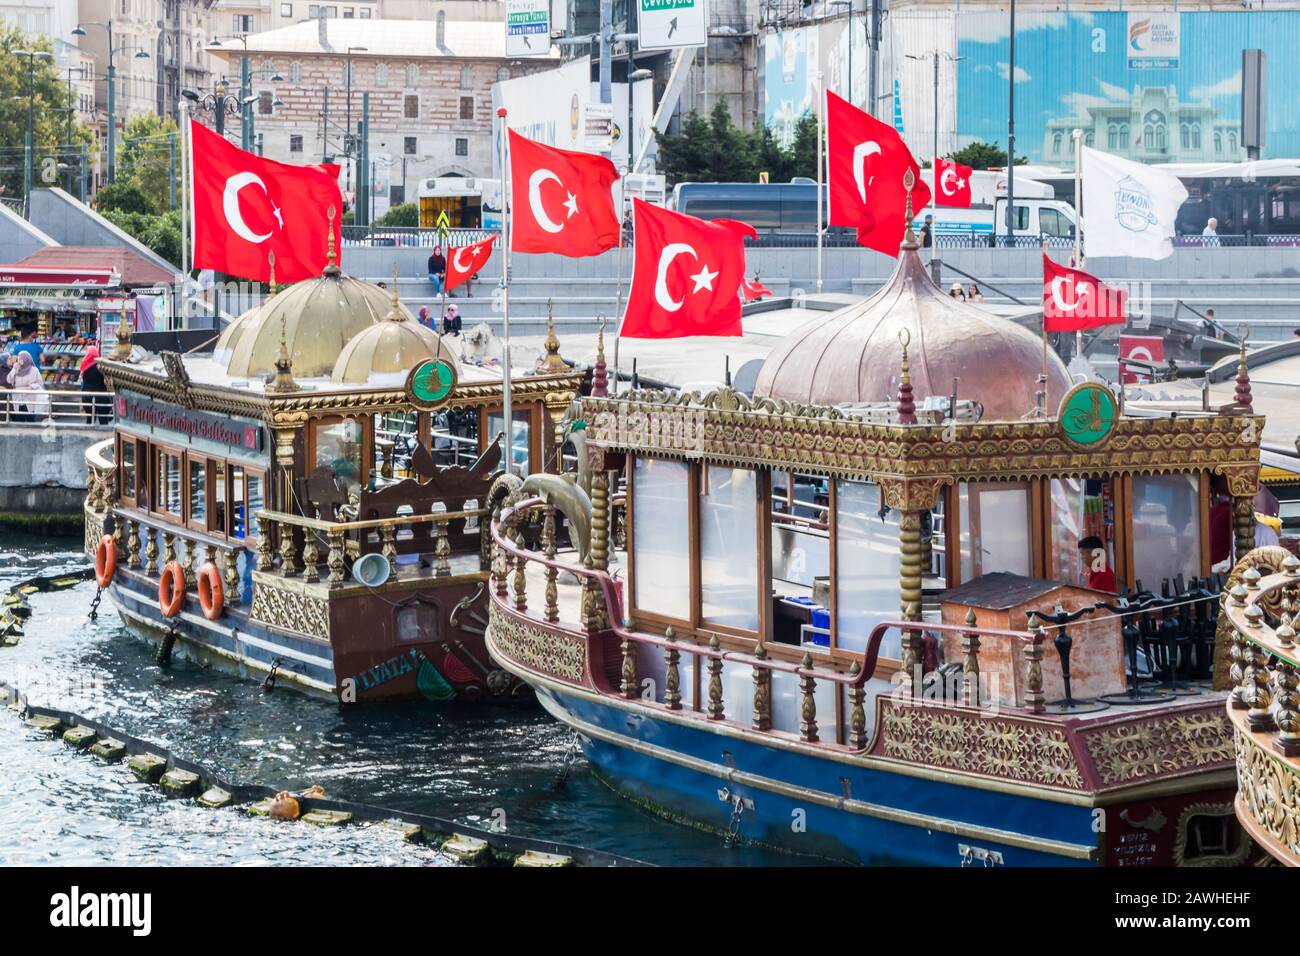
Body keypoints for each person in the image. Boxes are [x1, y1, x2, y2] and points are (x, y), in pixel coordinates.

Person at [10, 350, 47, 422]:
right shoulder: (16, 369)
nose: (20, 360)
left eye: (21, 358)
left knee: (30, 419)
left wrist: (32, 386)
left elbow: (40, 383)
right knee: (19, 419)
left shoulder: (34, 370)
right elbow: (10, 380)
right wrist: (14, 369)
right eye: (19, 358)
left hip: (30, 397)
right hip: (18, 398)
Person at [79, 346, 109, 424]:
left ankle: (89, 434)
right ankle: (105, 435)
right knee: (103, 419)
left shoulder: (84, 364)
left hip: (87, 395)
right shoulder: (101, 365)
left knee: (89, 419)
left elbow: (82, 378)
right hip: (101, 394)